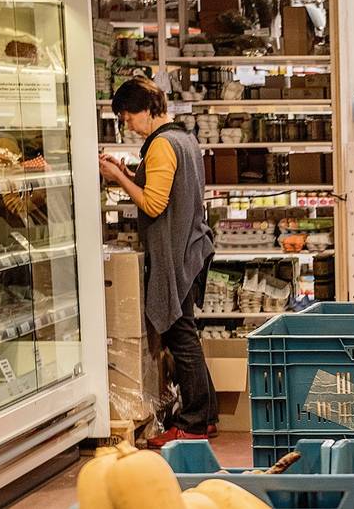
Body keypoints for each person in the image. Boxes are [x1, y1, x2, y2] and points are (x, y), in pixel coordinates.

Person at [100, 77, 219, 446]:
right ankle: (205, 415)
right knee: (184, 333)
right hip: (188, 247)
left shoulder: (163, 144)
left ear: (149, 111)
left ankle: (195, 422)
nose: (128, 125)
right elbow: (163, 188)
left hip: (176, 252)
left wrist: (118, 176)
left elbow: (154, 203)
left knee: (180, 335)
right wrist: (129, 172)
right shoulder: (183, 138)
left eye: (129, 116)